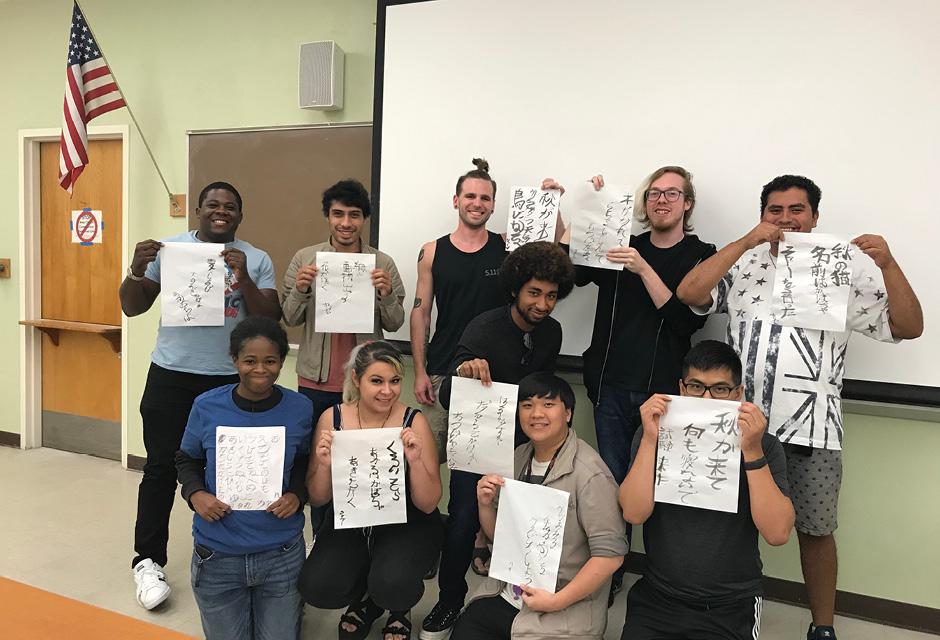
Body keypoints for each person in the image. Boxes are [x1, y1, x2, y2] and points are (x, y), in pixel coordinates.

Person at [677, 175, 923, 640]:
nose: (786, 219)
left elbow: (908, 327)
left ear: (815, 216)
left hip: (814, 427)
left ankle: (823, 627)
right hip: (742, 424)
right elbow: (690, 293)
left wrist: (888, 264)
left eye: (797, 210)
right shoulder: (745, 260)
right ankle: (723, 610)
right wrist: (748, 239)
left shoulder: (843, 267)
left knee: (816, 529)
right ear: (763, 214)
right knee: (729, 524)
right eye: (775, 210)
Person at [119, 181, 280, 609]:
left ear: (240, 215)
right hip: (170, 376)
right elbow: (132, 307)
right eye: (212, 204)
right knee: (159, 470)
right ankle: (148, 561)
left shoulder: (256, 258)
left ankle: (222, 553)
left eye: (230, 206)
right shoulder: (171, 251)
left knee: (228, 472)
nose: (220, 211)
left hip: (229, 381)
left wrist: (243, 277)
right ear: (199, 210)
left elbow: (271, 319)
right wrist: (136, 269)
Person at [560, 167, 717, 599]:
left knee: (661, 489)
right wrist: (583, 211)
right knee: (612, 486)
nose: (661, 200)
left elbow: (686, 322)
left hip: (664, 395)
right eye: (654, 193)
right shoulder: (620, 244)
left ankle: (666, 578)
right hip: (609, 386)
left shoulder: (702, 254)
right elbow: (570, 273)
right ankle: (611, 571)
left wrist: (644, 269)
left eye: (672, 193)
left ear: (687, 203)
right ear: (644, 203)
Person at [422, 241, 575, 639]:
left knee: (523, 522)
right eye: (535, 293)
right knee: (462, 524)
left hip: (526, 444)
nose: (543, 304)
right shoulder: (484, 328)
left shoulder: (552, 333)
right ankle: (450, 600)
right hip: (480, 444)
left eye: (552, 295)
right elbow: (446, 395)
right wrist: (465, 372)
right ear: (515, 290)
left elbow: (543, 387)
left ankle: (515, 599)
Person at [618, 339, 794, 639]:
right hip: (658, 595)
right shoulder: (654, 433)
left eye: (720, 389)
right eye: (697, 387)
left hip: (731, 603)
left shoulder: (763, 444)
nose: (707, 398)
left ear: (738, 394)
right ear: (682, 388)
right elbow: (634, 513)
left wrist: (751, 450)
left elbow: (778, 533)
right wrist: (649, 440)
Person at [450, 372, 627, 640]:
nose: (536, 414)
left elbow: (611, 556)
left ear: (567, 413)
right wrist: (485, 505)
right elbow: (503, 541)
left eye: (548, 404)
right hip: (508, 593)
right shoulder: (519, 457)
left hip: (564, 604)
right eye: (527, 405)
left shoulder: (591, 475)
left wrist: (557, 601)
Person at [175, 316, 312, 640]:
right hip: (218, 553)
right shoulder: (207, 406)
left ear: (282, 361)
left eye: (270, 361)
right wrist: (196, 495)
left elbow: (307, 461)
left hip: (280, 552)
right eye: (250, 360)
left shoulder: (300, 407)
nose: (260, 370)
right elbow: (187, 458)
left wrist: (297, 494)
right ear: (234, 359)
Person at [299, 341, 444, 640]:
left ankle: (397, 608)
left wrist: (415, 462)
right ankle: (365, 597)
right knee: (319, 587)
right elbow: (318, 497)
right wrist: (324, 464)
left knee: (394, 585)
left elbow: (429, 504)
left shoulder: (413, 421)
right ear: (356, 378)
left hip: (406, 521)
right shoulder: (333, 417)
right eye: (376, 381)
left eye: (394, 381)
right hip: (351, 521)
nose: (387, 391)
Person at [282, 178, 405, 479]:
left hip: (366, 382)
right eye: (338, 214)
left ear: (364, 219)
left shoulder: (382, 263)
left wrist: (386, 295)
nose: (346, 223)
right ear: (328, 216)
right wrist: (300, 289)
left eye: (354, 215)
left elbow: (395, 322)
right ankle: (323, 526)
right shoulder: (305, 258)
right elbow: (289, 317)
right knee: (319, 460)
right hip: (316, 381)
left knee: (360, 462)